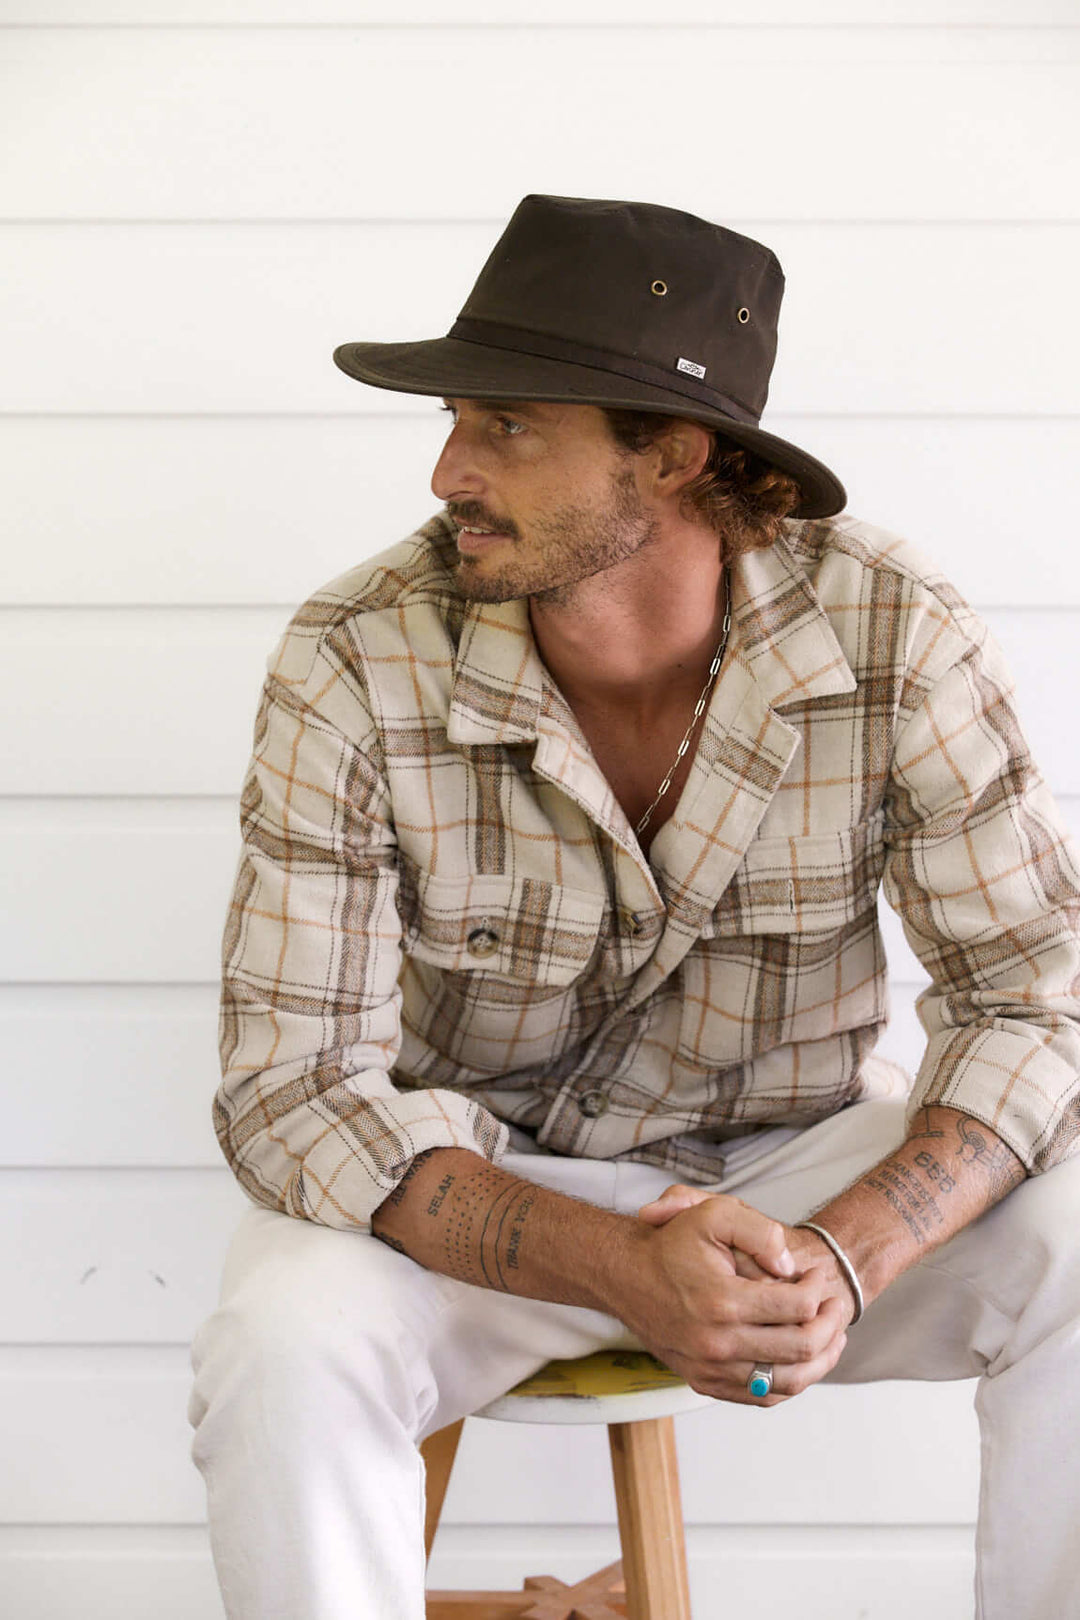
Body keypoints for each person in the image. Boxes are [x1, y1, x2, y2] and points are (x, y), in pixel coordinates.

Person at [188, 195, 1080, 1620]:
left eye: (507, 426)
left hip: (792, 1191)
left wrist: (853, 1253)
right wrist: (619, 1260)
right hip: (480, 1200)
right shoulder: (355, 656)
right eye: (454, 422)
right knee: (285, 1329)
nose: (446, 470)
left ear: (670, 456)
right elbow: (289, 1087)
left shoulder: (890, 628)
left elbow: (1039, 989)